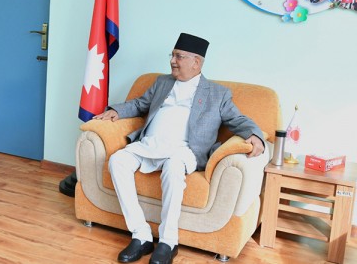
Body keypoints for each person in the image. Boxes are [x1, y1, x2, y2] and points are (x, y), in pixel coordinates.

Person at [93, 33, 265, 264]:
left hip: (184, 151)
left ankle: (168, 241)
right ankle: (141, 235)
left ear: (196, 62)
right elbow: (140, 104)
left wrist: (254, 134)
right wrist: (117, 110)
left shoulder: (217, 93)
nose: (172, 61)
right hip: (149, 144)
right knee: (117, 161)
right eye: (172, 55)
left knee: (174, 167)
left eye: (179, 56)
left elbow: (237, 119)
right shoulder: (162, 82)